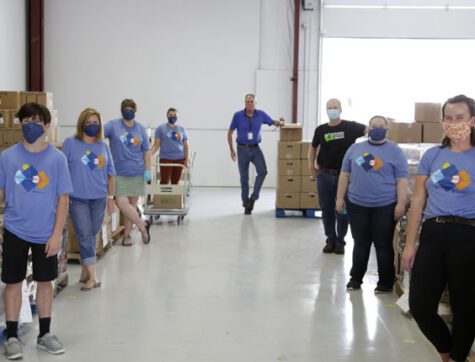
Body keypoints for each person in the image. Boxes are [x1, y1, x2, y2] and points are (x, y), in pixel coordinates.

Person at [402, 94, 475, 362]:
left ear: (472, 121)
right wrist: (410, 244)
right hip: (433, 235)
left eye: (460, 118)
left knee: (465, 309)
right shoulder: (433, 155)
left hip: (469, 237)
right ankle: (447, 352)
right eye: (448, 118)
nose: (453, 123)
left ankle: (456, 358)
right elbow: (418, 200)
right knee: (420, 306)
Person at [0, 103, 72, 358]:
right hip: (15, 230)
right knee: (12, 283)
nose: (31, 124)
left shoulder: (57, 159)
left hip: (46, 234)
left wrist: (56, 235)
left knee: (45, 283)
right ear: (19, 123)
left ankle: (45, 333)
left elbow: (63, 199)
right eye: (26, 119)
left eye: (37, 120)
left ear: (46, 125)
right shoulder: (7, 157)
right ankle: (11, 336)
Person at [336, 115, 408, 293]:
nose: (377, 128)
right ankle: (355, 278)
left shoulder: (395, 152)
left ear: (387, 129)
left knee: (382, 245)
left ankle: (385, 281)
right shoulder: (355, 148)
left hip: (385, 206)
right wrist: (339, 198)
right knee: (360, 243)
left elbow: (402, 180)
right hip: (357, 205)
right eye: (373, 126)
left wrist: (401, 203)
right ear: (368, 128)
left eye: (381, 126)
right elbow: (344, 175)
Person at [62, 108, 116, 291]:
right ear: (81, 123)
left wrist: (110, 198)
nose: (93, 126)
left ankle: (86, 271)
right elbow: (60, 171)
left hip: (99, 198)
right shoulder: (70, 143)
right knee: (84, 235)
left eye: (96, 123)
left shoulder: (103, 147)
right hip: (78, 199)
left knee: (92, 234)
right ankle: (93, 277)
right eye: (89, 122)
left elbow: (110, 175)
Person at [308, 98, 367, 254]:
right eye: (329, 107)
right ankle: (330, 239)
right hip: (324, 175)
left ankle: (341, 240)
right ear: (326, 110)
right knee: (326, 208)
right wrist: (312, 168)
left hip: (344, 176)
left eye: (335, 107)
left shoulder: (350, 127)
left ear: (340, 109)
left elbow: (369, 130)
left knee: (342, 208)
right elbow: (312, 149)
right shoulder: (320, 130)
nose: (332, 110)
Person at [104, 99, 151, 246]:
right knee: (121, 202)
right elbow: (99, 137)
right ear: (121, 110)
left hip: (137, 171)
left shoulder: (141, 129)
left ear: (135, 111)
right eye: (126, 108)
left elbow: (147, 151)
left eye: (131, 108)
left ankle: (127, 236)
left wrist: (148, 170)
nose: (128, 111)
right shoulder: (112, 126)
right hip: (118, 172)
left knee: (131, 204)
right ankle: (143, 225)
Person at [227, 94, 284, 214]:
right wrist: (232, 150)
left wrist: (280, 122)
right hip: (242, 149)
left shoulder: (261, 114)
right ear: (244, 103)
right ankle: (246, 203)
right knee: (244, 178)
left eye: (252, 101)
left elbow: (272, 121)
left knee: (263, 172)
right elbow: (230, 133)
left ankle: (253, 197)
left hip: (256, 149)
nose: (249, 103)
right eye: (247, 101)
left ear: (255, 103)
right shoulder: (237, 116)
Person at [150, 107, 189, 184]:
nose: (173, 117)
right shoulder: (160, 129)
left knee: (176, 182)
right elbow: (156, 145)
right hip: (166, 159)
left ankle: (175, 196)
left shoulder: (181, 129)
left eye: (175, 115)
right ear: (167, 115)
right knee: (164, 182)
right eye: (170, 115)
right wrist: (149, 155)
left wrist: (186, 159)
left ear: (177, 117)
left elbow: (185, 146)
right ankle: (163, 196)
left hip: (179, 159)